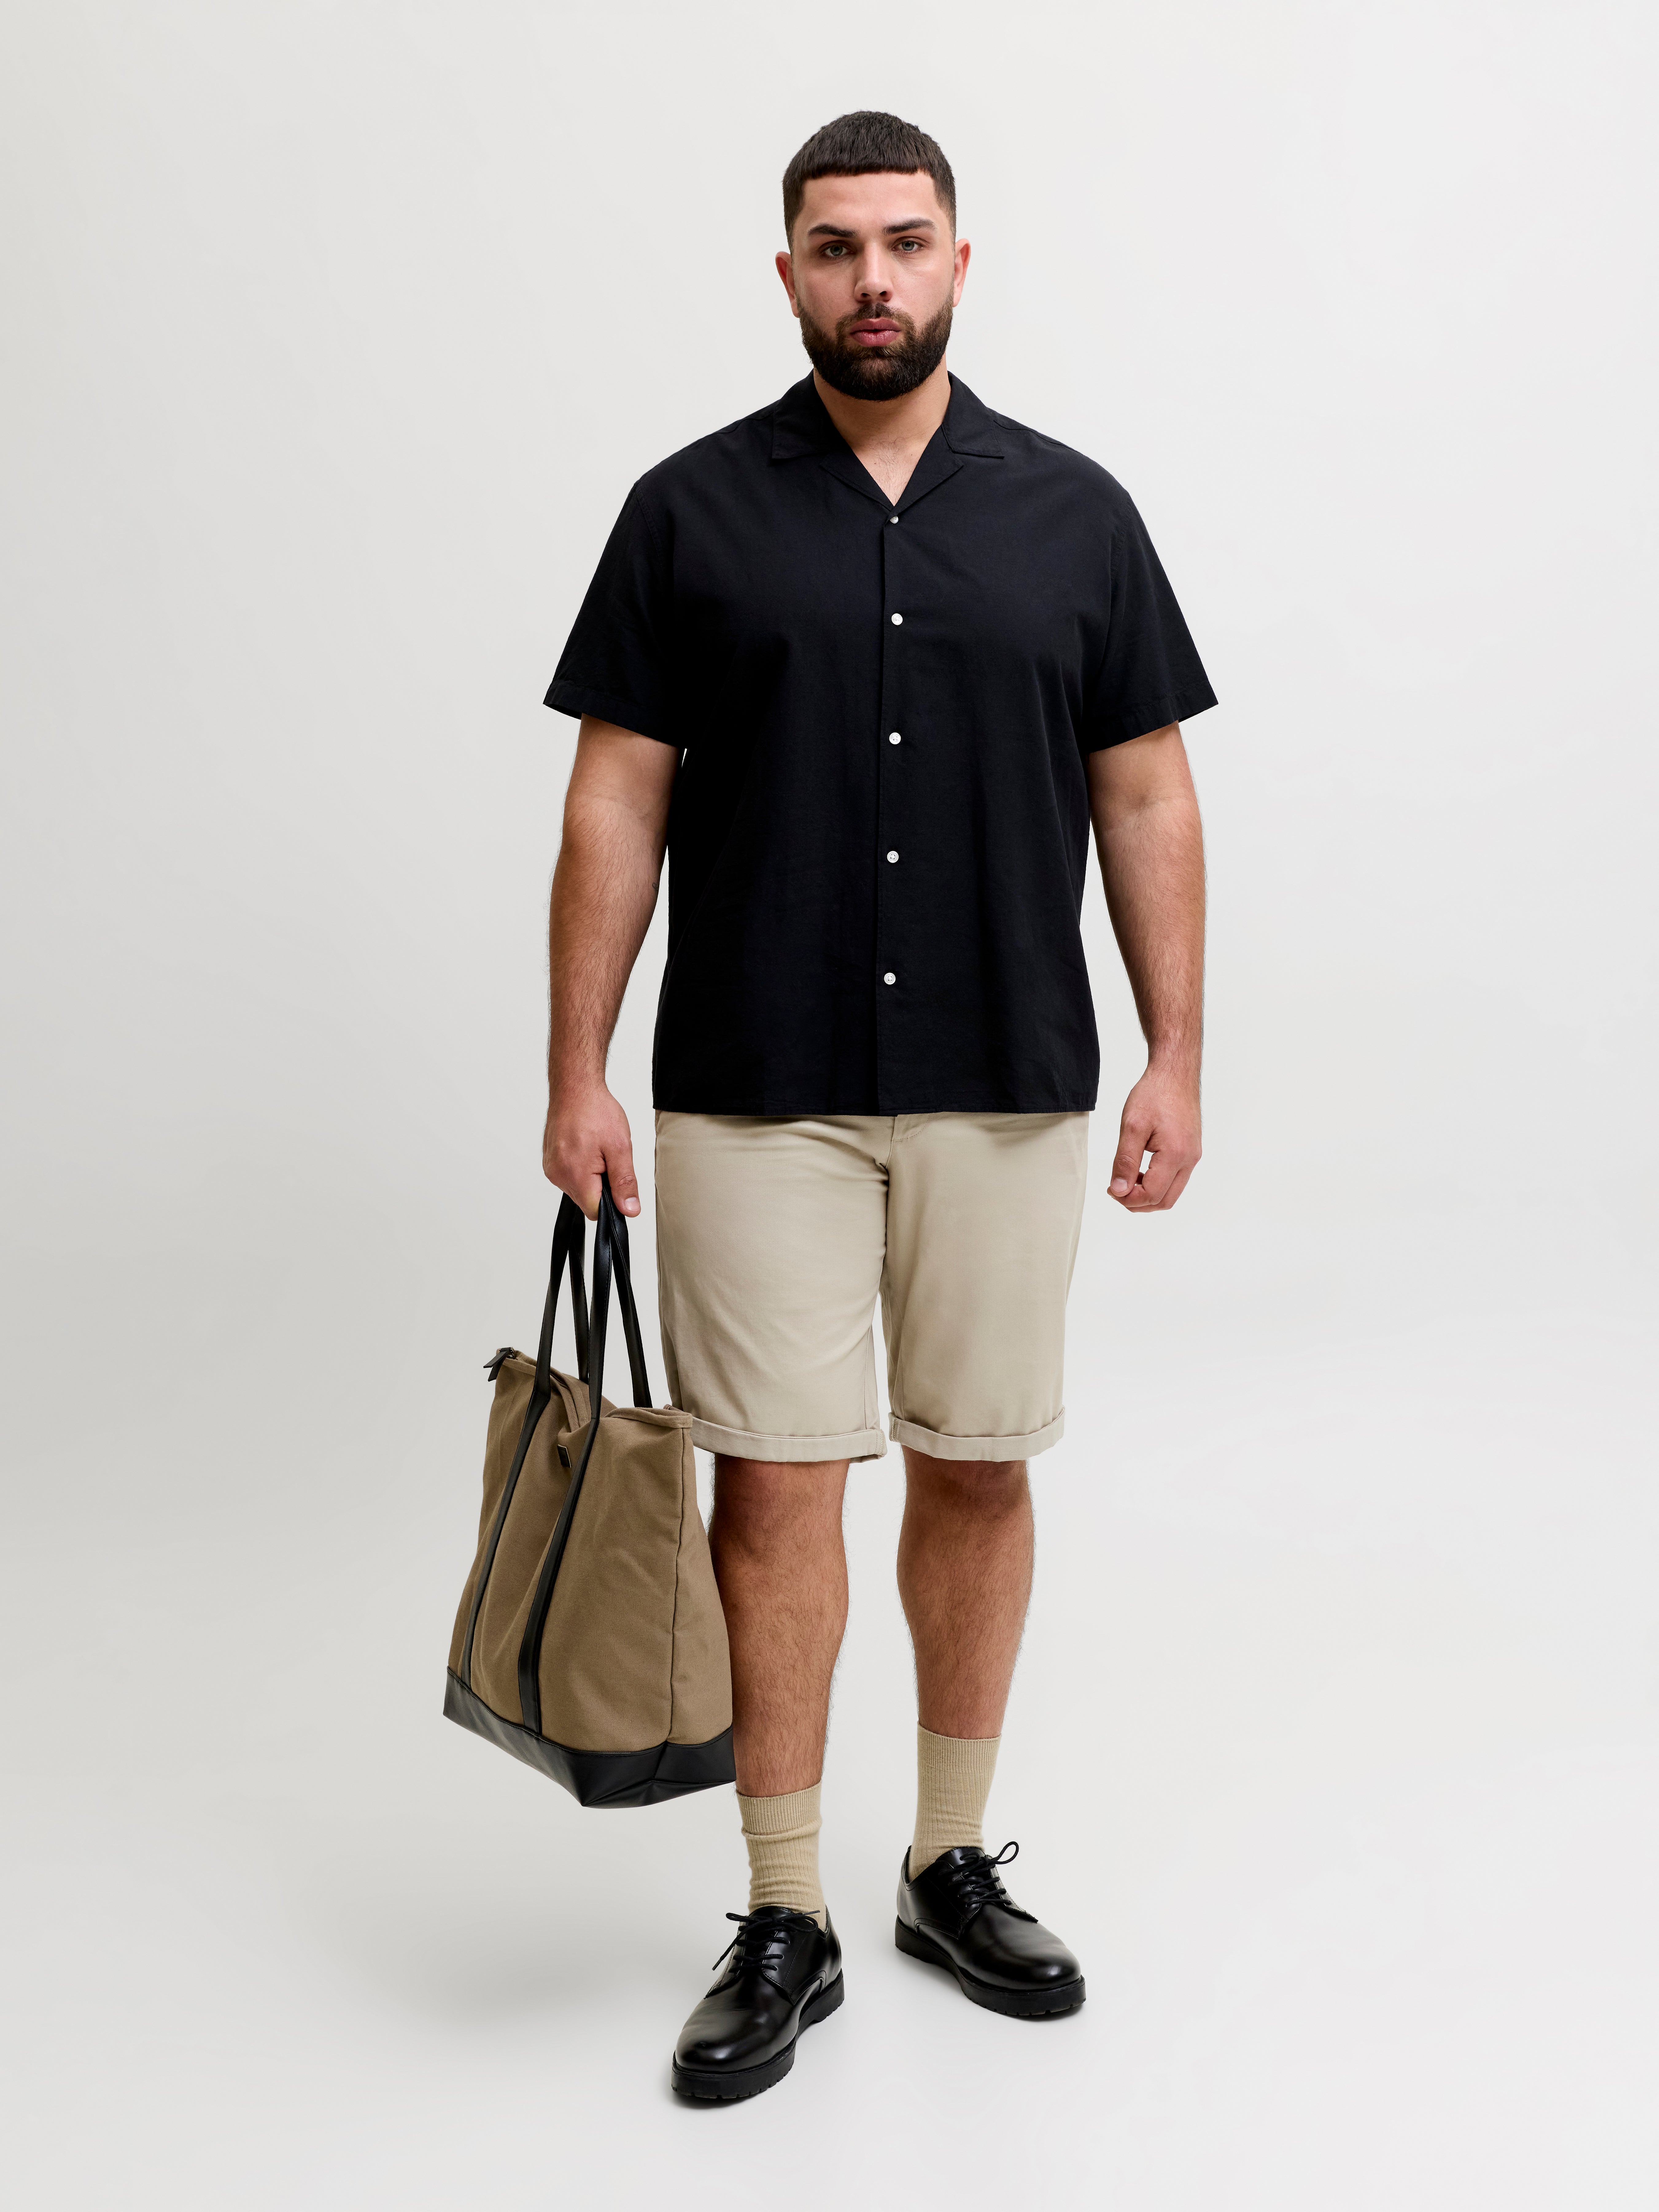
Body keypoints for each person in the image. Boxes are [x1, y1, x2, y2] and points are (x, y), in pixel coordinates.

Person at [540, 110, 1215, 2100]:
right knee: (773, 1485)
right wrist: (577, 1065)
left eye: (906, 242)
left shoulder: (1078, 515)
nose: (874, 280)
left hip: (1006, 1076)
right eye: (836, 248)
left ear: (959, 262)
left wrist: (1178, 1048)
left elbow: (1147, 793)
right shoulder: (689, 513)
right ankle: (783, 1907)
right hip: (759, 1086)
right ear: (789, 275)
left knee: (979, 1466)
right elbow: (615, 800)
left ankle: (944, 1861)